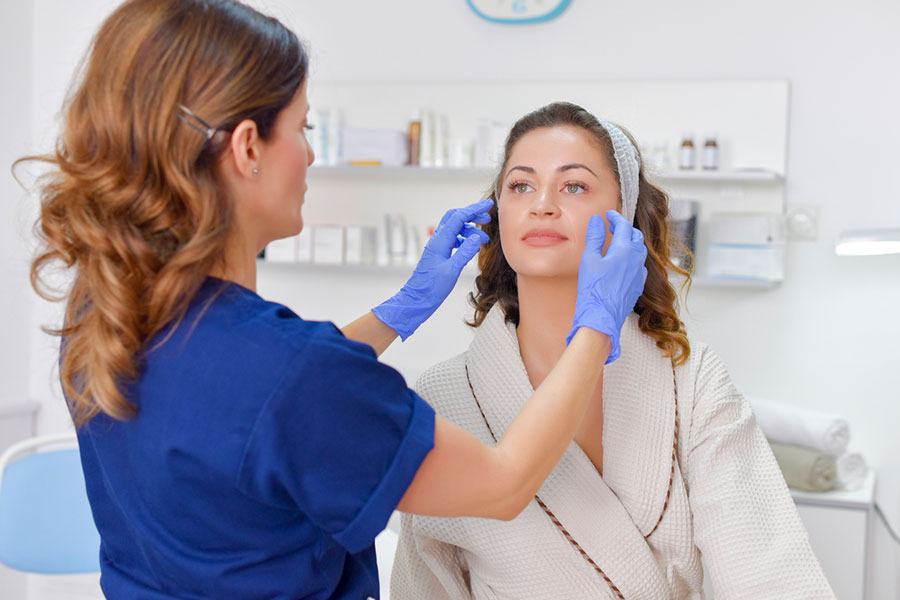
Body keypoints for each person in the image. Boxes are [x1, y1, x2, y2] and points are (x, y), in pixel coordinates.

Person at [21, 2, 649, 599]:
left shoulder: (103, 314)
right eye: (302, 127)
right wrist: (598, 323)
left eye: (572, 185)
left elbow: (245, 408)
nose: (311, 153)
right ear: (247, 149)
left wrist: (396, 312)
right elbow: (505, 482)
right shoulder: (298, 374)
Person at [391, 102, 835, 599]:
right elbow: (423, 583)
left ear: (623, 215)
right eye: (520, 186)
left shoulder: (689, 380)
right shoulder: (446, 396)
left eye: (574, 185)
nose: (542, 203)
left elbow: (766, 569)